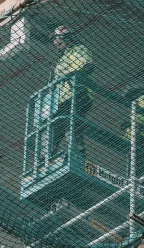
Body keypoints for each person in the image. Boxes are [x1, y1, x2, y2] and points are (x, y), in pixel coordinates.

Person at [50, 26, 94, 160]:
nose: (58, 47)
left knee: (72, 124)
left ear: (67, 39)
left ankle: (77, 152)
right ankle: (48, 155)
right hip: (63, 98)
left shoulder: (78, 49)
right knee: (56, 126)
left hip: (77, 93)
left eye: (60, 44)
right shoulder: (63, 58)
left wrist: (71, 75)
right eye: (56, 45)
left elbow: (88, 66)